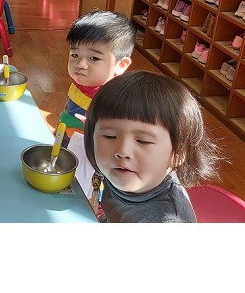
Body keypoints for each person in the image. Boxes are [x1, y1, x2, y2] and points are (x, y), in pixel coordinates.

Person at [83, 70, 223, 223]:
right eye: (110, 136)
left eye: (143, 141)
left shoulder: (166, 222)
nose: (122, 151)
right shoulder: (123, 172)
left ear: (178, 153)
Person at [59, 10, 135, 147]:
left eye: (94, 58)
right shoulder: (82, 80)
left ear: (121, 65)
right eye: (75, 55)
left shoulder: (114, 100)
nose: (80, 64)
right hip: (68, 136)